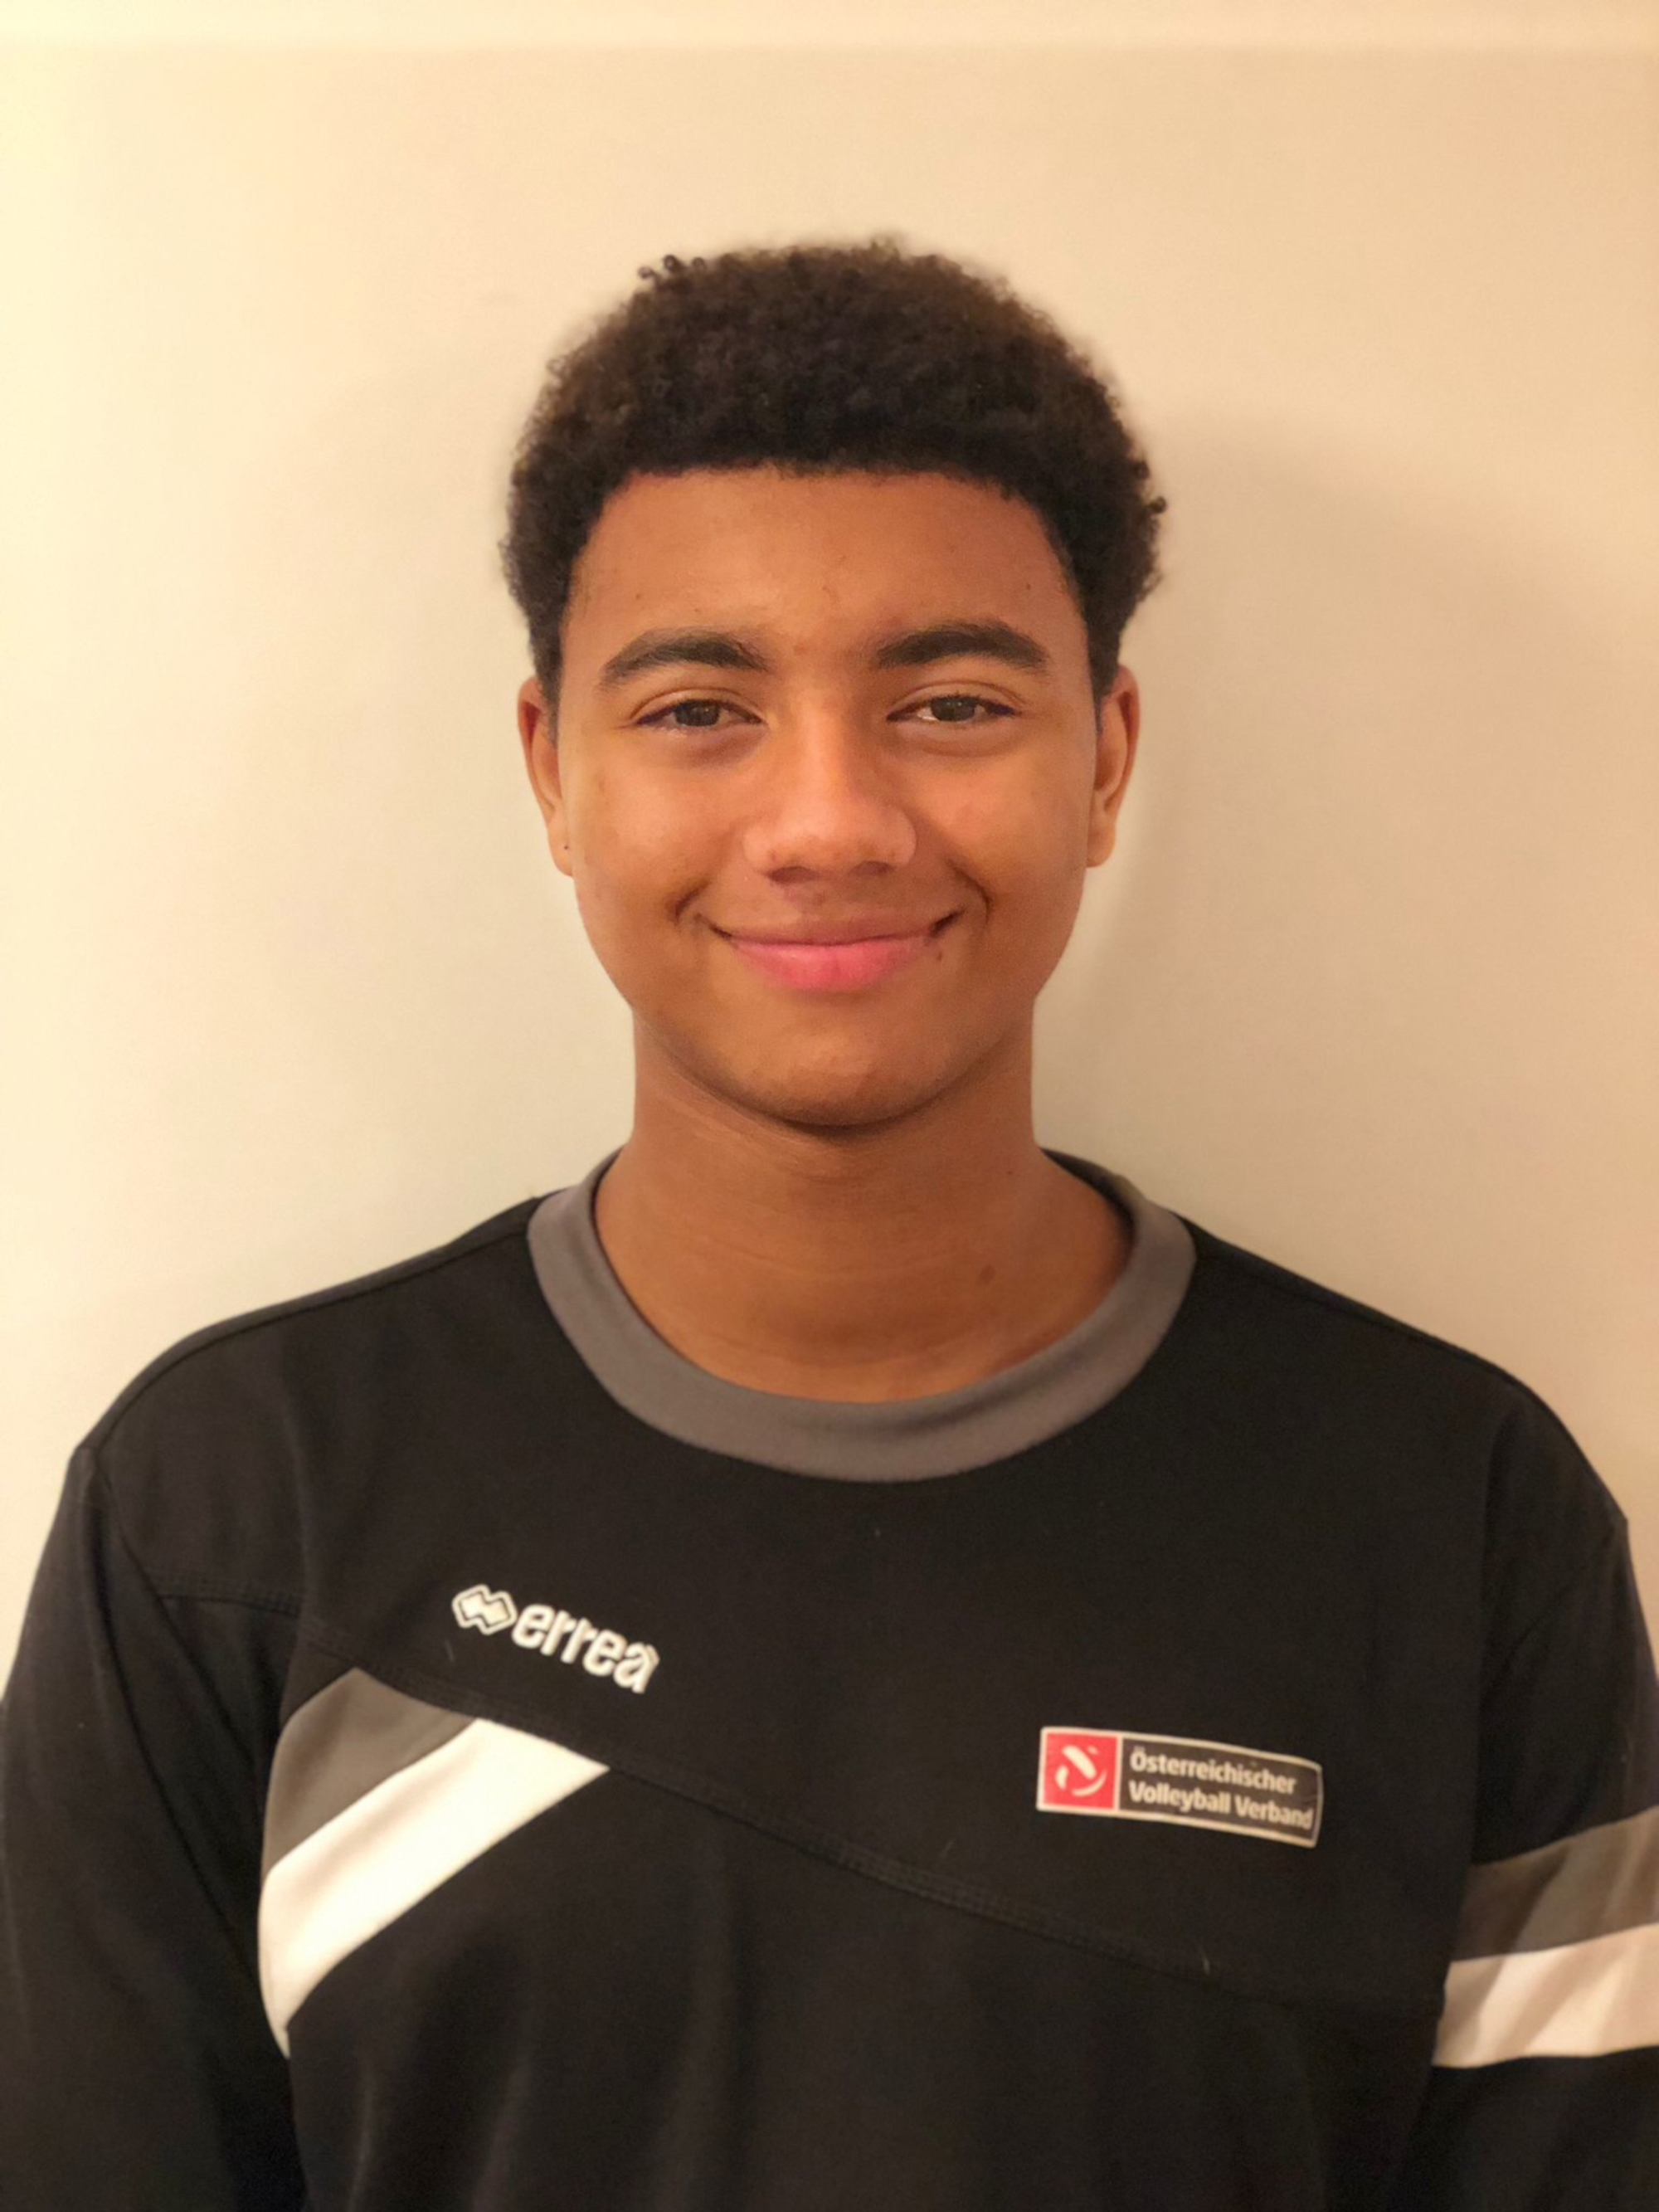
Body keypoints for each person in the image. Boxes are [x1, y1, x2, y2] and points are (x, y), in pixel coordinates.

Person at [2, 235, 1654, 2211]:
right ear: (552, 771)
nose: (827, 822)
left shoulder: (1454, 1520)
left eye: (948, 702)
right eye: (700, 708)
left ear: (1104, 756)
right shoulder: (230, 1511)